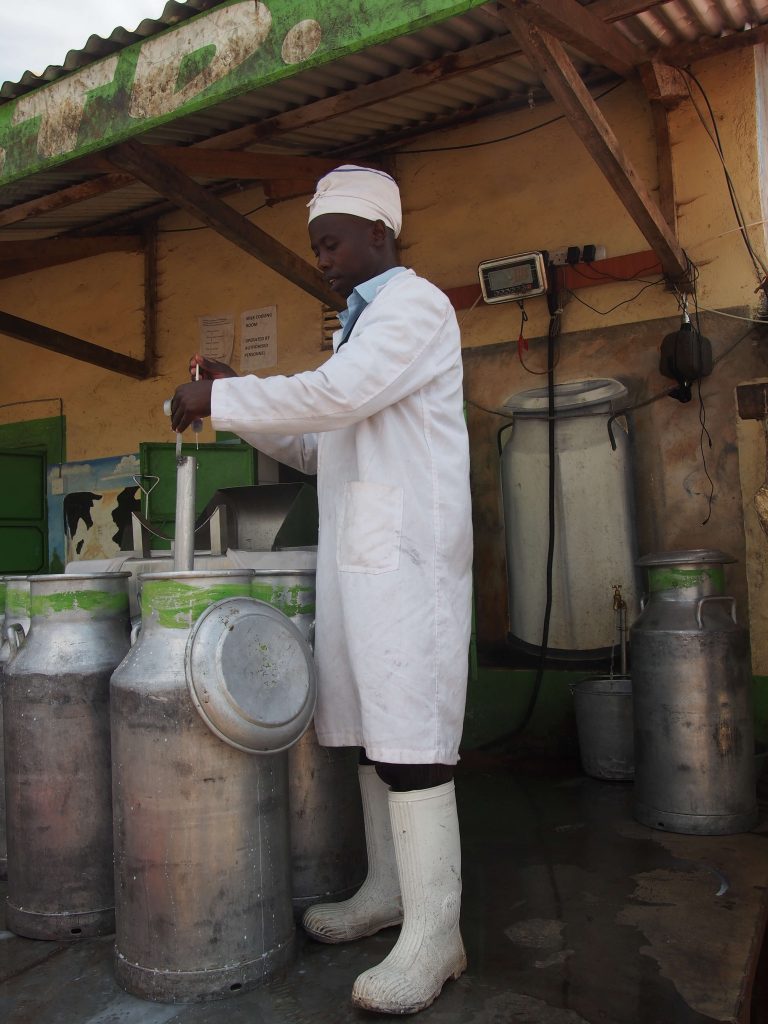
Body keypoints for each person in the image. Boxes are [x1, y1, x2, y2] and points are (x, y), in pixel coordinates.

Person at [171, 164, 473, 1015]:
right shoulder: (357, 331)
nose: (323, 260)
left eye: (332, 242)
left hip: (408, 563)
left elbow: (336, 400)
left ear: (380, 233)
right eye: (316, 247)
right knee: (376, 735)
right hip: (366, 562)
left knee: (412, 740)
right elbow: (318, 442)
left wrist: (223, 394)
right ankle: (388, 894)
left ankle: (438, 935)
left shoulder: (414, 307)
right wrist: (239, 397)